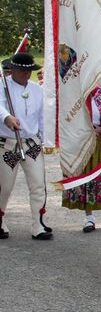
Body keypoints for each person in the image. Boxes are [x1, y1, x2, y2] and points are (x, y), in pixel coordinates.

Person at [0, 53, 52, 240]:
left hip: (31, 143)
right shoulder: (2, 85)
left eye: (29, 70)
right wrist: (6, 117)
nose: (26, 74)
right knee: (4, 187)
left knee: (38, 184)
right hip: (8, 144)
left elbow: (42, 117)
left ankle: (38, 224)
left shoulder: (37, 89)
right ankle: (0, 221)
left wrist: (45, 140)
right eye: (22, 70)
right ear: (12, 69)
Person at [62, 85, 101, 232]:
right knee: (85, 177)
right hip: (81, 142)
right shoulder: (74, 95)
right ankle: (89, 218)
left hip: (99, 142)